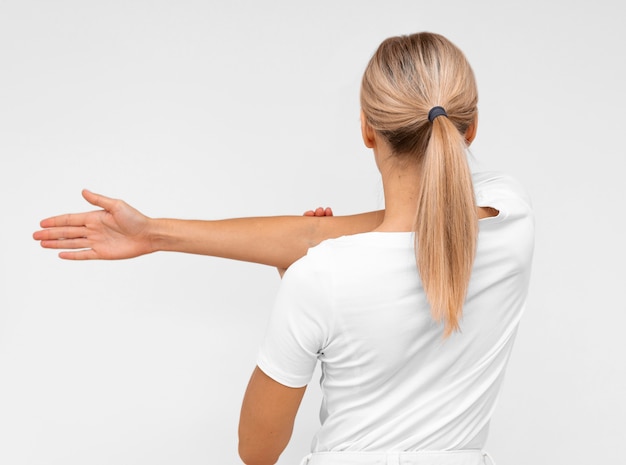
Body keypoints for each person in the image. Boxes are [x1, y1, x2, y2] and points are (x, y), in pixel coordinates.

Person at [34, 32, 534, 465]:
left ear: (366, 129)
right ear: (469, 128)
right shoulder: (512, 220)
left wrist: (160, 235)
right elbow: (354, 235)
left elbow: (257, 451)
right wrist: (154, 233)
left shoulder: (321, 279)